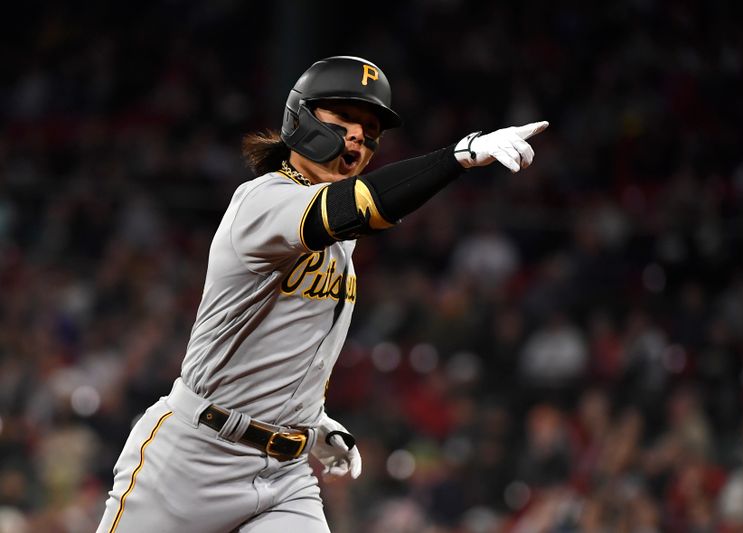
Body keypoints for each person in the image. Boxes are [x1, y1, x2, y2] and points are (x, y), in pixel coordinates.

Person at [96, 55, 548, 533]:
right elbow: (364, 204)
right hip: (192, 459)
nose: (357, 135)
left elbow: (288, 341)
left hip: (285, 478)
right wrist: (459, 155)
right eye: (345, 118)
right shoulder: (261, 201)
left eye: (369, 127)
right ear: (302, 117)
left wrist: (314, 423)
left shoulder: (338, 234)